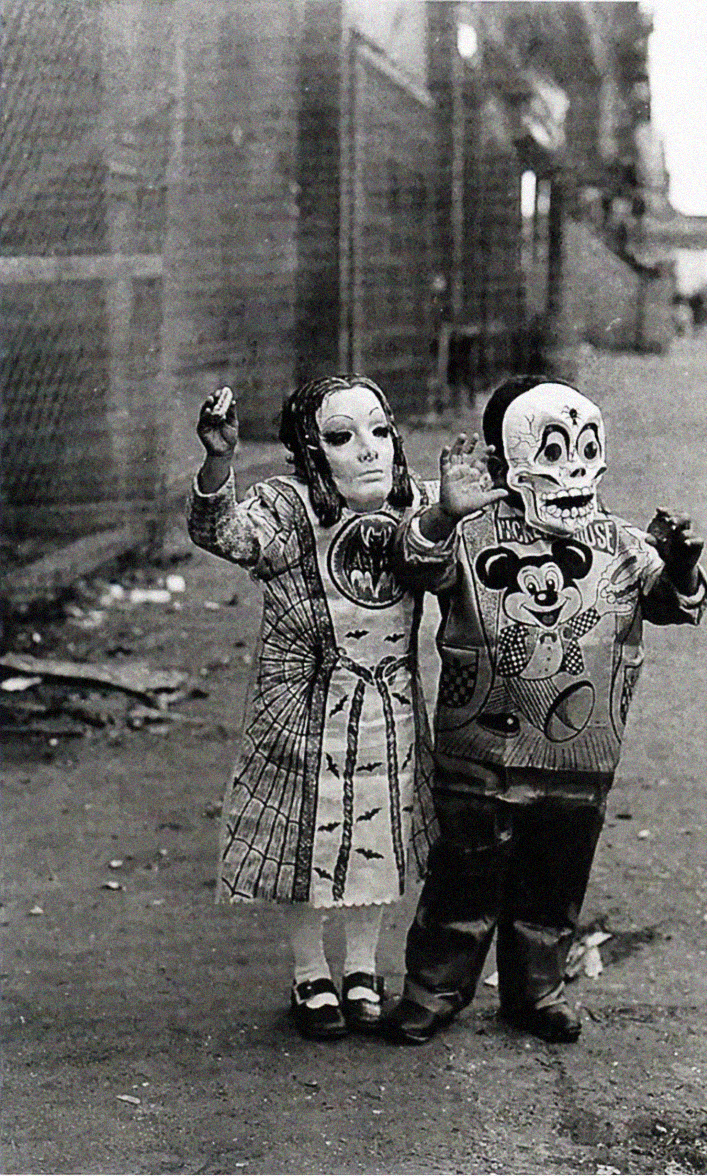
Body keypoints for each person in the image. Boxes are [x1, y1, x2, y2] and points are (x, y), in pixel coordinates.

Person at [382, 375, 707, 1046]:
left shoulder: (621, 542)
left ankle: (538, 987)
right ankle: (435, 987)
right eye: (551, 452)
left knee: (553, 883)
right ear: (505, 461)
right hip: (479, 746)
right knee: (463, 879)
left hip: (580, 754)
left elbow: (679, 605)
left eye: (585, 450)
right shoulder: (471, 536)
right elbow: (414, 564)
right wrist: (444, 513)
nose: (573, 473)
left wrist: (678, 567)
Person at [187, 376, 437, 1040]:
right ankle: (309, 972)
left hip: (389, 701)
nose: (368, 450)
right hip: (303, 706)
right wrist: (220, 463)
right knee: (306, 831)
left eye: (380, 431)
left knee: (379, 825)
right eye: (341, 436)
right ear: (311, 449)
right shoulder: (288, 509)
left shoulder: (416, 508)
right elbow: (222, 532)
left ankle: (361, 966)